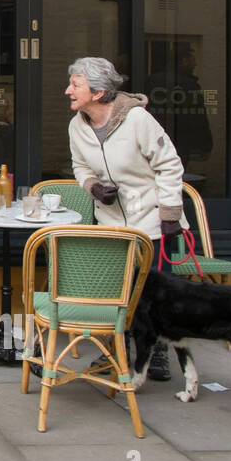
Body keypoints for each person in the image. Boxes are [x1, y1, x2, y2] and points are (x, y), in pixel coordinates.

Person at [66, 55, 188, 381]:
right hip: (111, 222)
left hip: (152, 220)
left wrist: (170, 215)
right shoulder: (78, 125)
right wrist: (93, 187)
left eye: (75, 84)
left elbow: (169, 165)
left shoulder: (137, 121)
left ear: (97, 90)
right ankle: (115, 353)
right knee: (114, 291)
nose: (68, 91)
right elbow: (81, 167)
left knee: (155, 294)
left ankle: (157, 352)